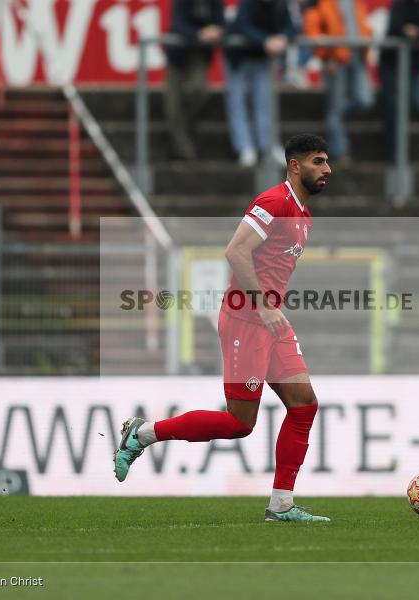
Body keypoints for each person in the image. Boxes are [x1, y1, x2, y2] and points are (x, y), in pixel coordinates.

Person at [114, 134, 333, 523]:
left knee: (304, 404)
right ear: (295, 166)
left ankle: (281, 506)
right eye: (318, 161)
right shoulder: (274, 203)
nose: (327, 169)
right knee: (239, 423)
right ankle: (142, 434)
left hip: (271, 320)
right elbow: (235, 251)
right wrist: (264, 306)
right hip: (247, 320)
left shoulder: (303, 215)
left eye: (327, 161)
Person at [225, 0, 296, 167]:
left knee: (264, 102)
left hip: (261, 58)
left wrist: (283, 38)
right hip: (238, 57)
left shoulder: (281, 5)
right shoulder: (247, 3)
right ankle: (245, 148)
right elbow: (242, 26)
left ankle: (268, 146)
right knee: (237, 102)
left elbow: (290, 28)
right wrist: (265, 41)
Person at [303, 0, 375, 162]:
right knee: (336, 106)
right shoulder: (321, 3)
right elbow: (313, 29)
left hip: (357, 54)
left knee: (363, 100)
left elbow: (363, 25)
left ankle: (334, 124)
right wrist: (325, 57)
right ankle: (340, 150)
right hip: (335, 58)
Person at [379, 0, 419, 162]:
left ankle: (402, 147)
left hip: (414, 65)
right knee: (393, 108)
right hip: (391, 63)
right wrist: (405, 31)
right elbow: (394, 27)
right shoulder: (401, 4)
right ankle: (393, 153)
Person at [164, 0, 225, 160]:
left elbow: (222, 23)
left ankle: (184, 126)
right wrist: (200, 34)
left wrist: (218, 31)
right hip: (177, 53)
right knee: (172, 105)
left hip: (200, 53)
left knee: (200, 91)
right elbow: (178, 25)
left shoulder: (214, 3)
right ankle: (184, 150)